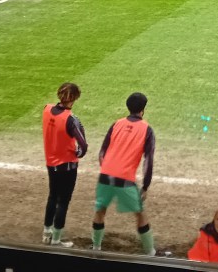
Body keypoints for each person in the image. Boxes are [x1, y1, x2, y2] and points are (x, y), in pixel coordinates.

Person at [92, 92, 157, 255]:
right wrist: (145, 186)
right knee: (140, 214)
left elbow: (101, 153)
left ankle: (96, 248)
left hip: (105, 175)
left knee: (100, 211)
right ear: (143, 109)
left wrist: (107, 170)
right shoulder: (147, 129)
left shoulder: (116, 124)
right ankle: (150, 252)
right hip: (125, 179)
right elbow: (148, 161)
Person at [42, 82, 88, 247]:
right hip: (67, 165)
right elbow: (83, 145)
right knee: (63, 201)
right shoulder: (70, 119)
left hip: (50, 162)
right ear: (74, 98)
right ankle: (56, 239)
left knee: (52, 196)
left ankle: (46, 233)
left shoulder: (46, 109)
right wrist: (78, 154)